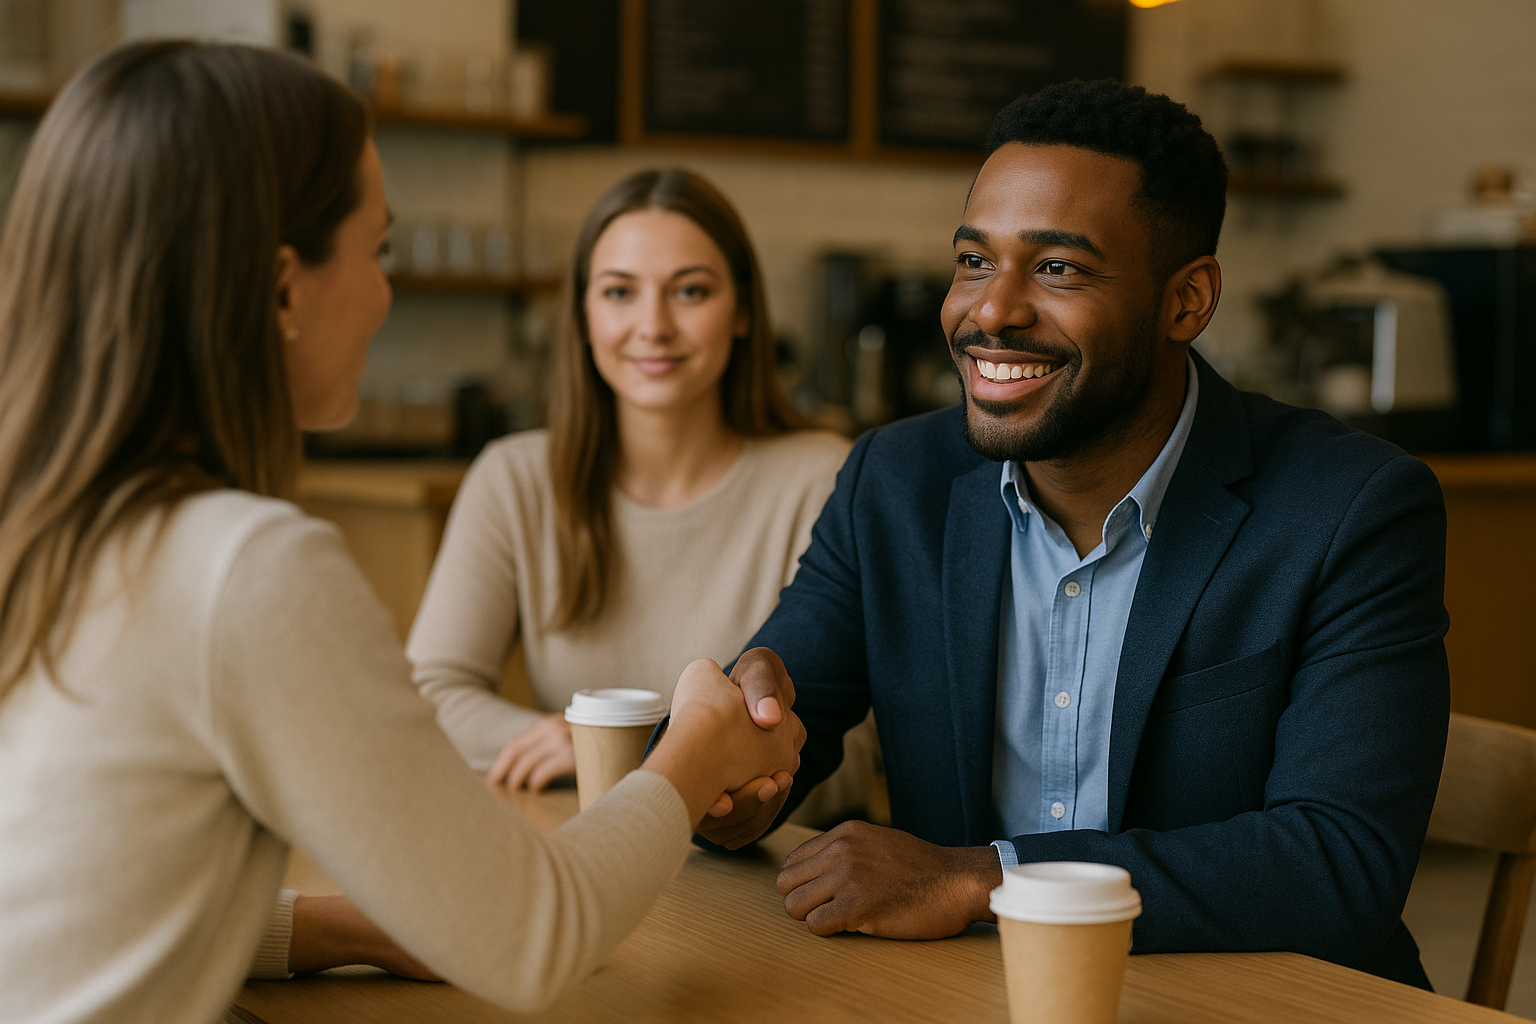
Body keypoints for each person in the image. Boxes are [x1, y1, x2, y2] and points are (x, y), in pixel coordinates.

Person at [0, 41, 801, 1024]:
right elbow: (532, 936)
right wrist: (691, 754)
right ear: (286, 291)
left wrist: (345, 927)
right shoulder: (244, 567)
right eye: (378, 251)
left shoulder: (52, 521)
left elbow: (78, 886)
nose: (387, 291)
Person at [693, 80, 1450, 989]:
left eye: (1058, 269)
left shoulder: (1353, 508)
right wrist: (735, 774)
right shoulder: (894, 483)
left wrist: (984, 877)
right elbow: (781, 721)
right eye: (974, 262)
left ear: (1187, 301)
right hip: (979, 994)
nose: (992, 312)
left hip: (1268, 1000)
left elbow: (1340, 861)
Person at [406, 168, 874, 820]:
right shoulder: (515, 477)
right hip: (583, 856)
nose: (652, 326)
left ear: (741, 311)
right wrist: (568, 741)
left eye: (690, 291)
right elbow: (430, 693)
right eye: (620, 291)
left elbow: (849, 757)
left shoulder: (825, 478)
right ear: (583, 315)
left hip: (759, 879)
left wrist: (619, 755)